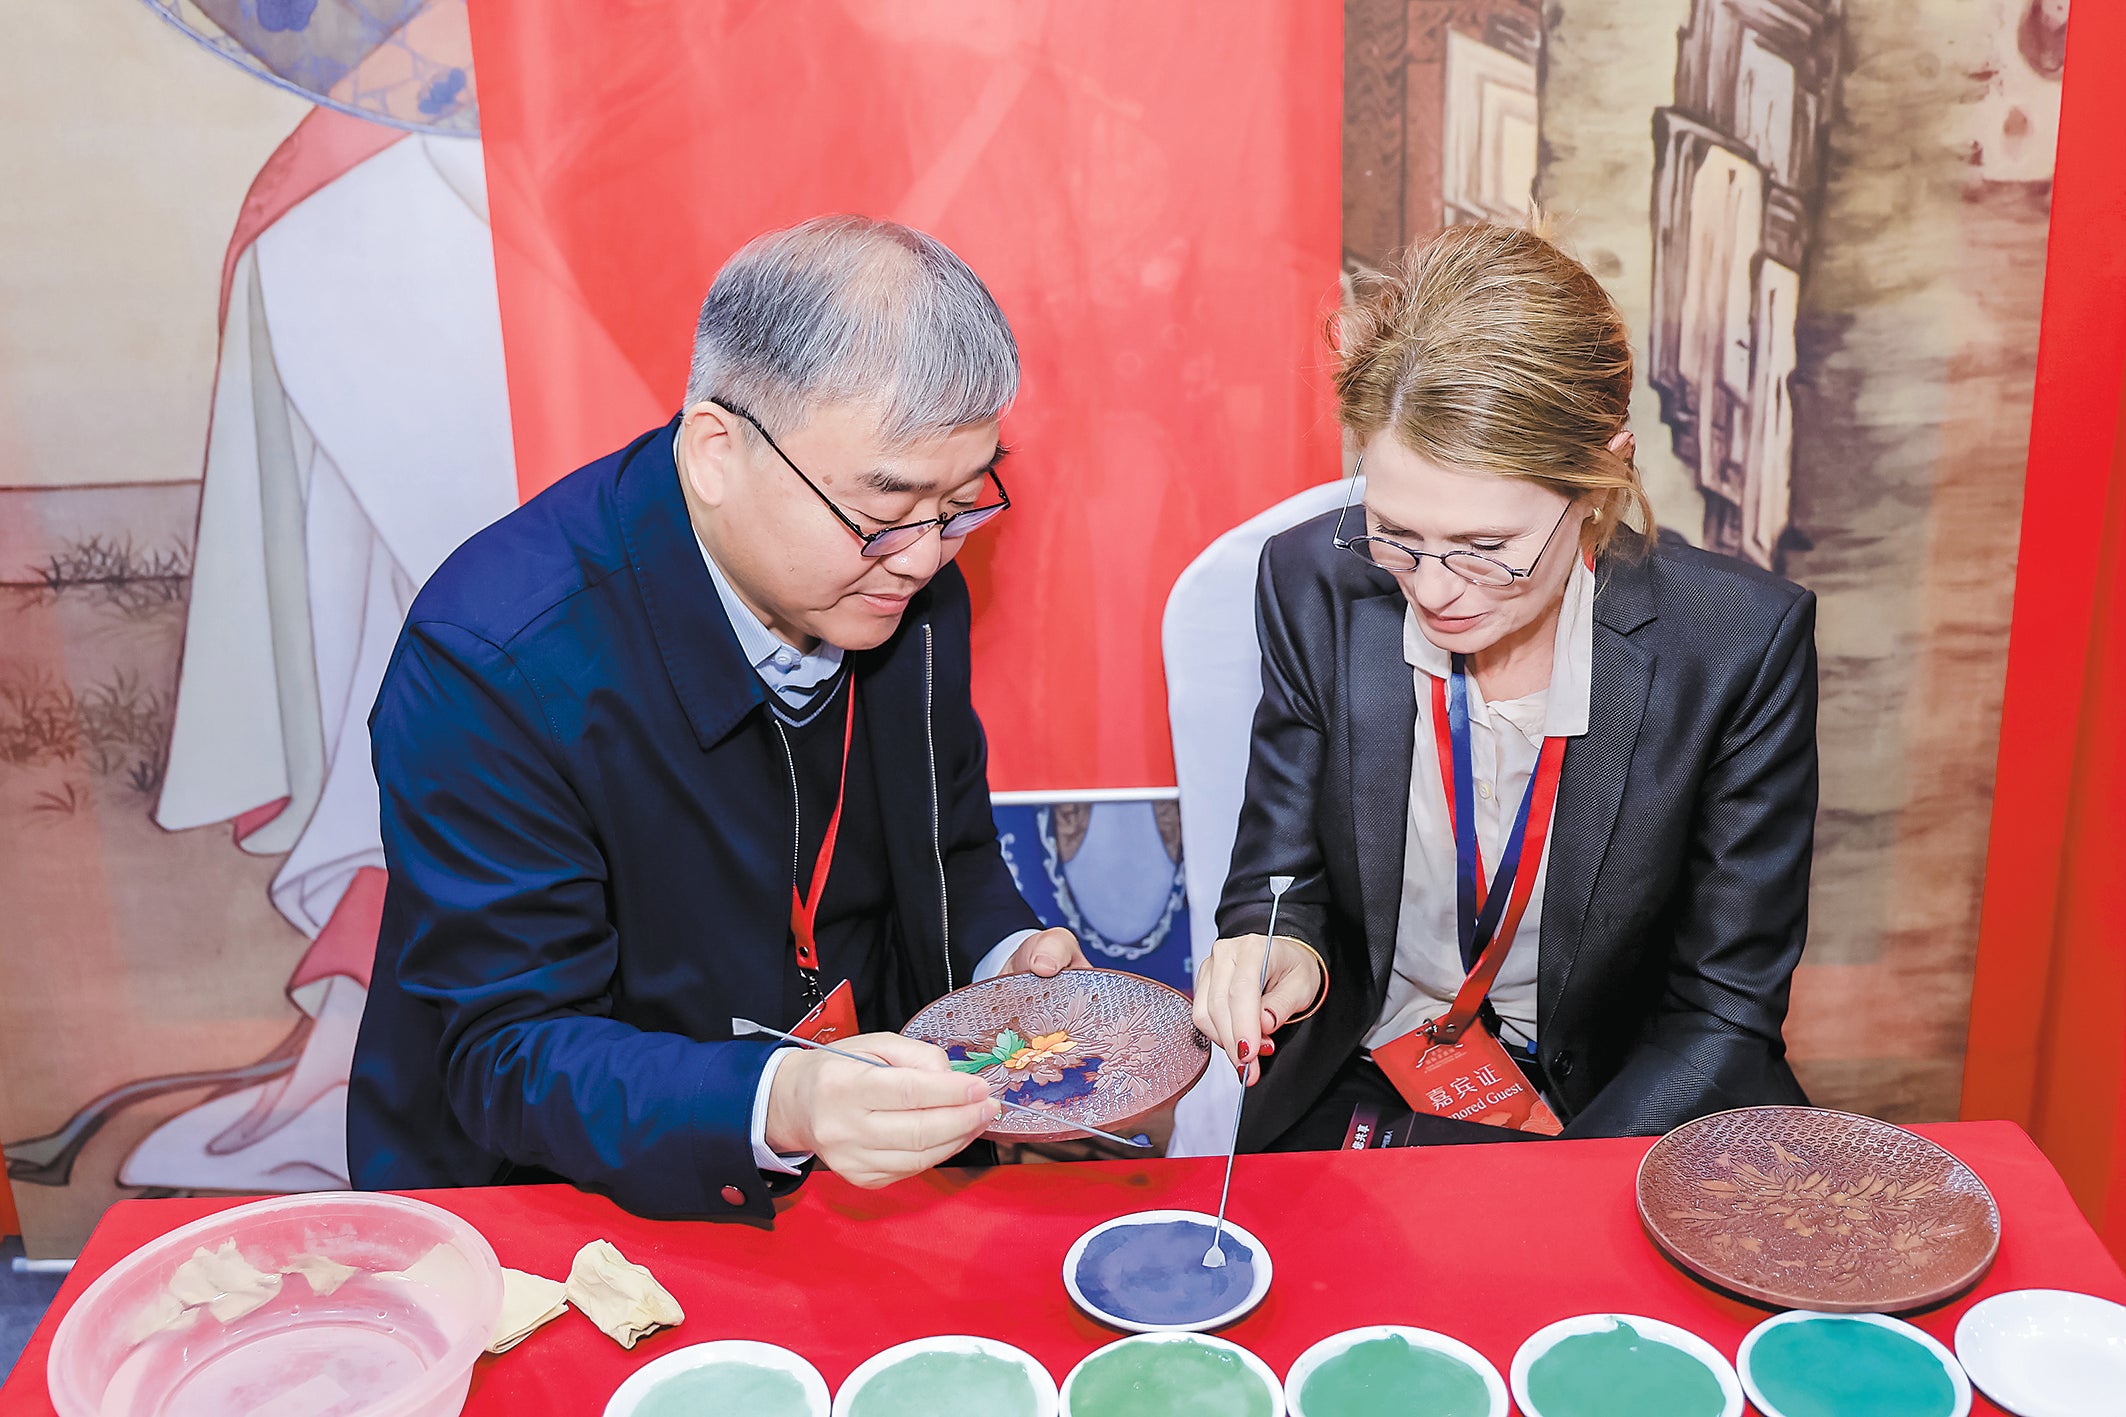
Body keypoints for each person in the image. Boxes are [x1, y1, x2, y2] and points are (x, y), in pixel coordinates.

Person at [349, 216, 1088, 1218]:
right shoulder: (494, 666)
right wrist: (780, 1098)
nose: (922, 558)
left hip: (848, 1170)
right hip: (575, 1201)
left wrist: (1009, 963)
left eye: (960, 504)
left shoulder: (906, 584)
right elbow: (506, 1053)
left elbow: (943, 847)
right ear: (714, 450)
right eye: (882, 514)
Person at [1193, 220, 1816, 1151]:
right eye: (1395, 531)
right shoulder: (1313, 582)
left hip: (1615, 1096)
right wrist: (1286, 951)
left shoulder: (1733, 645)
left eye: (1487, 549)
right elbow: (1282, 880)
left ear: (1606, 477)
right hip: (1367, 1065)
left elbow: (1722, 1012)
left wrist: (1564, 1189)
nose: (1434, 586)